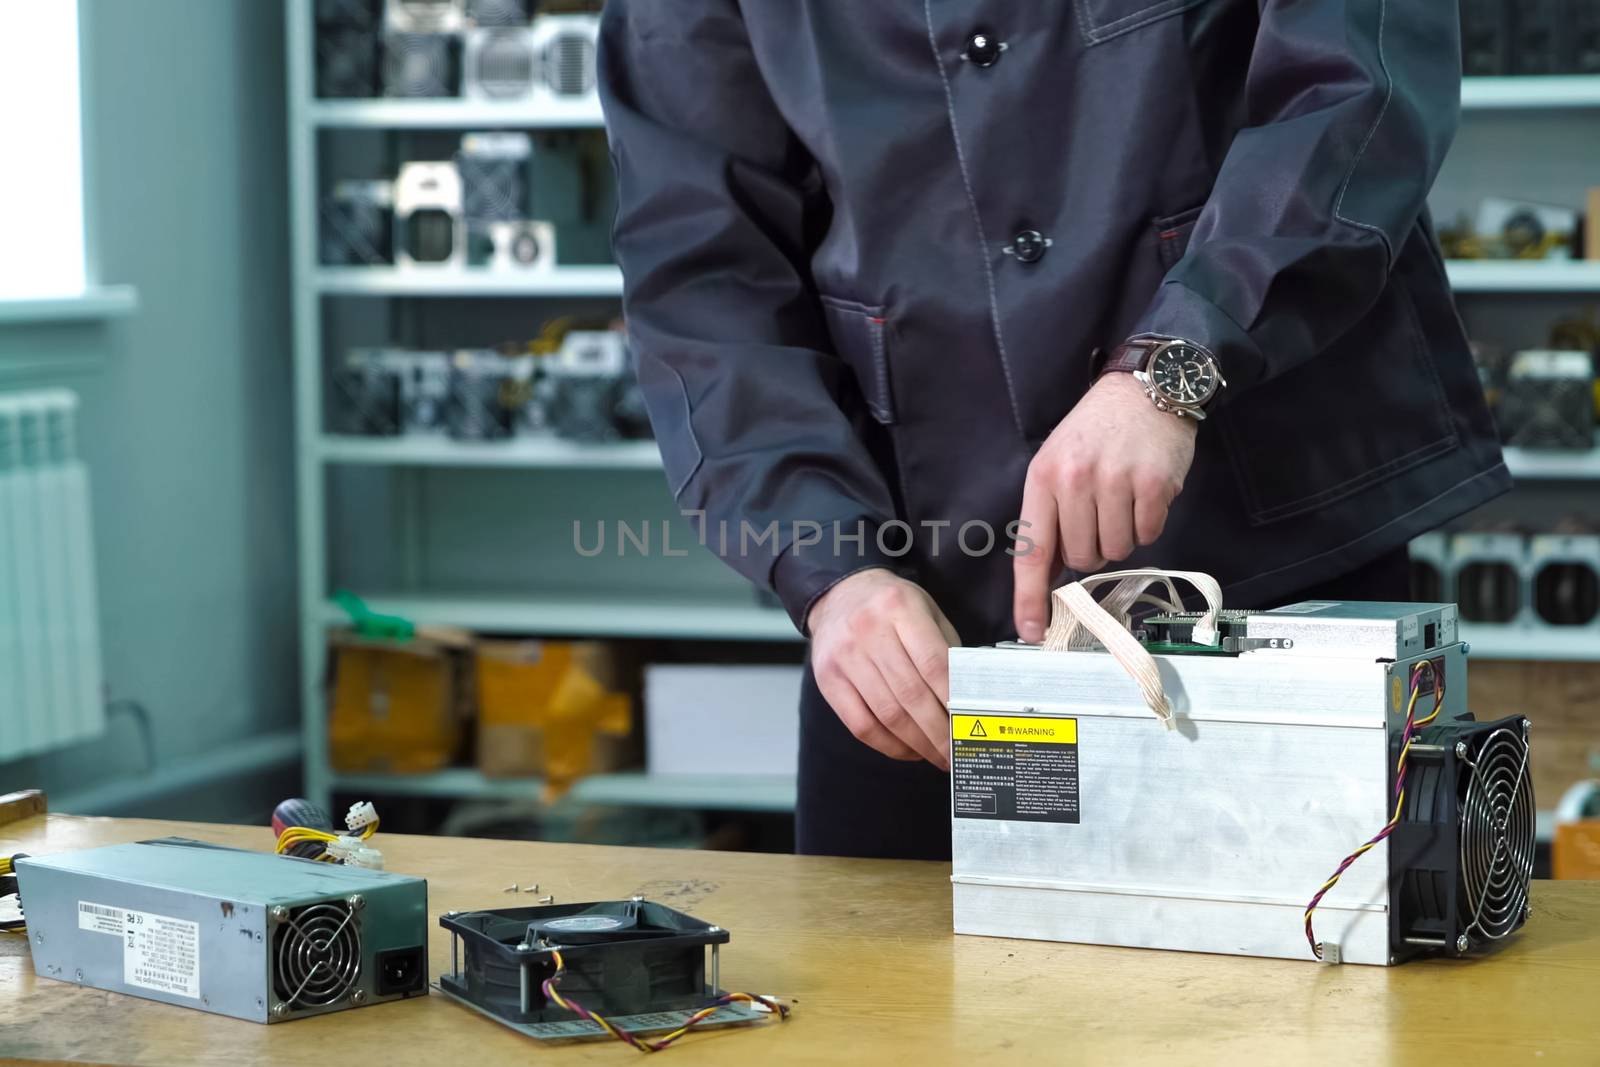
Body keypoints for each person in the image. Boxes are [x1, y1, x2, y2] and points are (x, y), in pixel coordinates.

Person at [597, 3, 1508, 861]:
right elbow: (703, 269)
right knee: (897, 1005)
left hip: (1275, 530)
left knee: (1328, 994)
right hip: (921, 604)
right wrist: (827, 565)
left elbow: (1357, 87)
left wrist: (1175, 363)